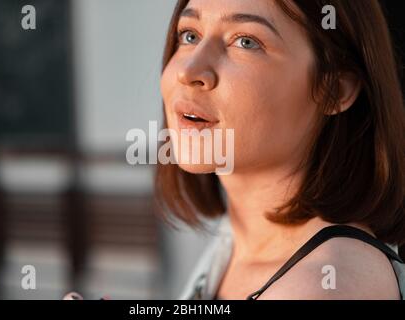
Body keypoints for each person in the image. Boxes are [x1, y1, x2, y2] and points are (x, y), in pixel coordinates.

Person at [156, 0, 405, 300]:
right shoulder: (233, 242)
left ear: (335, 89)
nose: (189, 70)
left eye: (246, 42)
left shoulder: (326, 287)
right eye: (190, 35)